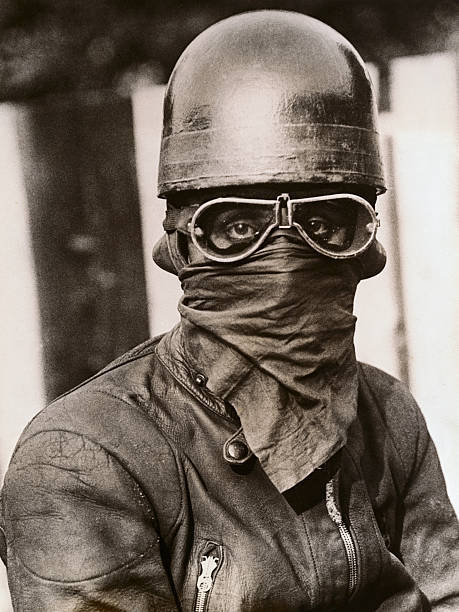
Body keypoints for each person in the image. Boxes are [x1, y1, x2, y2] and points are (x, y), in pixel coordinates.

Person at [1, 10, 458, 611]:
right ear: (180, 244)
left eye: (325, 223)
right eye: (238, 227)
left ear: (365, 243)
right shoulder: (84, 457)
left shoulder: (387, 414)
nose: (286, 257)